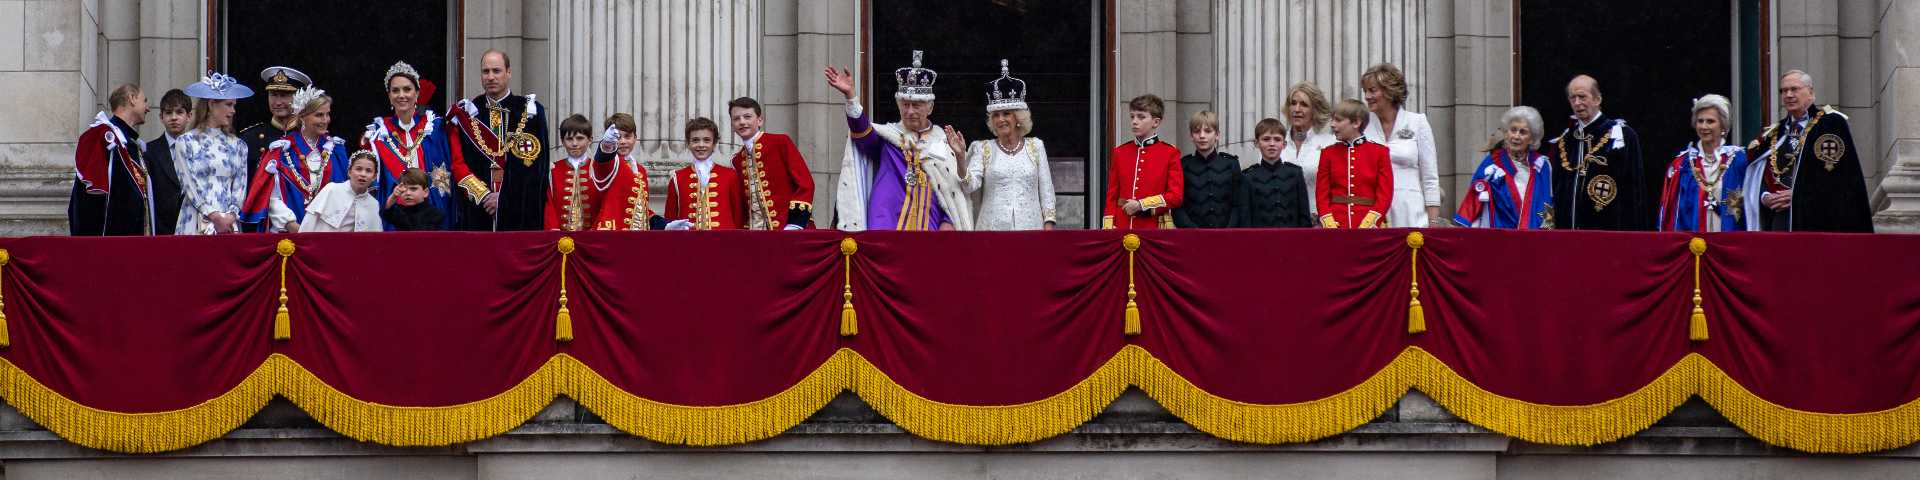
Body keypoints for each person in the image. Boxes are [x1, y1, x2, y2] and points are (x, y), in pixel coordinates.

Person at [825, 51, 972, 231]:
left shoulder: (943, 142)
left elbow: (951, 191)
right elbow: (862, 133)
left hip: (930, 228)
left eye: (916, 105)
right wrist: (851, 97)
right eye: (905, 104)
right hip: (886, 224)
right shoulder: (889, 138)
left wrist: (948, 221)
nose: (909, 111)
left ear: (930, 107)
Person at [1741, 70, 1873, 232]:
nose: (1788, 95)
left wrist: (1798, 194)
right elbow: (1757, 174)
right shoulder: (1774, 134)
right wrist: (1764, 197)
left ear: (1810, 92)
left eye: (1794, 89)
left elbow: (1839, 177)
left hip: (1817, 219)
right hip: (1779, 220)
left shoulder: (1829, 124)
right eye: (1784, 91)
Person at [947, 60, 1058, 231]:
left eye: (1007, 113)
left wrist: (1048, 226)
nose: (1000, 119)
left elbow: (1047, 191)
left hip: (1031, 231)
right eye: (996, 115)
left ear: (1018, 118)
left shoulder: (1036, 147)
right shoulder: (983, 149)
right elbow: (969, 186)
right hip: (992, 232)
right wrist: (961, 157)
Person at [448, 49, 550, 231]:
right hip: (478, 211)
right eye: (486, 71)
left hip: (519, 212)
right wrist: (484, 196)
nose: (491, 77)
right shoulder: (467, 114)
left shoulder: (530, 111)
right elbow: (458, 164)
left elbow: (535, 167)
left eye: (496, 71)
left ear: (508, 72)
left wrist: (503, 199)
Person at [362, 61, 459, 231]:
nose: (401, 95)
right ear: (389, 95)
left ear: (417, 93)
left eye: (407, 89)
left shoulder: (434, 128)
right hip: (394, 221)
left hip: (432, 218)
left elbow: (445, 175)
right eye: (395, 90)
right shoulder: (378, 134)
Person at [241, 86, 350, 233]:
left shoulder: (336, 150)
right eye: (319, 115)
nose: (325, 120)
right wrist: (292, 225)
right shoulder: (281, 151)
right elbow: (271, 198)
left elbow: (345, 193)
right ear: (302, 116)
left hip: (330, 233)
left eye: (327, 114)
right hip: (290, 234)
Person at [1548, 74, 1646, 230]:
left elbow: (1634, 191)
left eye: (1582, 96)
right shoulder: (1565, 141)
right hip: (1568, 233)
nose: (1577, 103)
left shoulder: (1621, 135)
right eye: (1572, 98)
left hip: (1609, 232)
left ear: (1597, 99)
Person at [1361, 63, 1443, 228]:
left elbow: (1430, 177)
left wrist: (1433, 222)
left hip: (1411, 212)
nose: (1367, 96)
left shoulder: (1417, 122)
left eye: (1372, 90)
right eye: (1365, 91)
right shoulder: (1362, 125)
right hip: (1371, 214)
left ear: (1389, 91)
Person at [174, 73, 255, 235]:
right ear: (211, 104)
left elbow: (240, 187)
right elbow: (189, 184)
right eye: (229, 105)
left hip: (229, 223)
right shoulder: (186, 142)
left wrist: (230, 216)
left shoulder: (239, 145)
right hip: (196, 219)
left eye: (234, 106)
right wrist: (212, 215)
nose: (233, 111)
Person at [1656, 95, 1751, 233]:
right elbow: (1670, 213)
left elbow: (1752, 208)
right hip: (1692, 244)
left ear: (1723, 125)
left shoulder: (1740, 161)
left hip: (1730, 242)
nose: (1704, 126)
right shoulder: (1682, 165)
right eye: (1700, 121)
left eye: (1710, 121)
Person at [68, 84, 151, 236]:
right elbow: (88, 199)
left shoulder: (131, 144)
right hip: (107, 242)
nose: (148, 108)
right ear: (132, 98)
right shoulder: (100, 135)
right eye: (144, 101)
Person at [1455, 106, 1553, 229]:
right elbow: (1475, 196)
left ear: (1532, 138)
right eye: (1513, 130)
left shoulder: (1542, 165)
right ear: (1506, 134)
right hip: (1499, 235)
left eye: (1523, 132)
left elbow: (1547, 202)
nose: (1516, 136)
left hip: (1534, 236)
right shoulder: (1492, 163)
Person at [728, 96, 816, 230]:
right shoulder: (737, 160)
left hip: (790, 228)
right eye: (736, 119)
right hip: (757, 235)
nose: (742, 122)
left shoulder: (780, 142)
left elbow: (806, 184)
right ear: (732, 125)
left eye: (747, 117)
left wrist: (795, 223)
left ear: (759, 120)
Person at [1103, 94, 1184, 230]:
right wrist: (1108, 226)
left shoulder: (1170, 153)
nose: (1134, 121)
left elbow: (1175, 196)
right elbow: (1112, 195)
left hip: (1154, 227)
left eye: (1141, 117)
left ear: (1156, 122)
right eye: (1132, 116)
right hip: (1122, 226)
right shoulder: (1120, 152)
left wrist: (1141, 204)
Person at [1317, 99, 1393, 229]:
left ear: (1356, 122)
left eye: (1338, 120)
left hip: (1369, 224)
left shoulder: (1380, 152)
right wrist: (1328, 221)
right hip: (1336, 224)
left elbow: (1385, 193)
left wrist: (1370, 221)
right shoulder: (1327, 153)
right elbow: (1321, 194)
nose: (1332, 125)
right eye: (1332, 120)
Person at [662, 117, 746, 230]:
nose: (701, 145)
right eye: (695, 140)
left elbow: (738, 217)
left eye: (707, 140)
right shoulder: (677, 177)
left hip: (724, 242)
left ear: (714, 143)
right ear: (688, 143)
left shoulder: (730, 175)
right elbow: (670, 218)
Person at [1232, 118, 1312, 228]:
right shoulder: (1248, 177)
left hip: (1291, 240)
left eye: (1277, 139)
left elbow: (1304, 216)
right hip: (1260, 241)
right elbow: (1245, 218)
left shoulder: (1295, 173)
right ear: (1256, 143)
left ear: (1284, 144)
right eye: (1266, 139)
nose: (1272, 144)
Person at [590, 113, 665, 230]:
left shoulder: (640, 170)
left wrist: (665, 225)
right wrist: (607, 145)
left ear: (635, 138)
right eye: (618, 137)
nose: (623, 141)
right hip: (611, 235)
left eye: (627, 136)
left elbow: (642, 209)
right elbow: (602, 162)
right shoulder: (610, 162)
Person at [1172, 110, 1238, 228]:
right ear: (1191, 136)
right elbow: (1178, 207)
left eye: (1208, 131)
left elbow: (1238, 205)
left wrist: (1228, 232)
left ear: (1217, 135)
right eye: (1197, 132)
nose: (1202, 136)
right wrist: (1193, 231)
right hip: (1192, 237)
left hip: (1227, 236)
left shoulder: (1231, 164)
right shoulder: (1183, 165)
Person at [1281, 81, 1338, 217]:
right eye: (1293, 103)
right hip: (1282, 222)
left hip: (1318, 221)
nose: (1297, 109)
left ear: (1315, 110)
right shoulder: (1275, 143)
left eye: (1304, 105)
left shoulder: (1330, 143)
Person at [546, 114, 606, 231]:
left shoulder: (599, 169)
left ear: (590, 140)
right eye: (569, 139)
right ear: (562, 141)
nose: (574, 143)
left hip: (594, 237)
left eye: (579, 138)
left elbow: (605, 204)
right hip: (560, 238)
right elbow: (548, 205)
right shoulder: (552, 170)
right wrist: (553, 230)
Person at [145, 89, 191, 235]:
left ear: (189, 116)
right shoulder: (149, 151)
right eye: (168, 113)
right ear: (161, 117)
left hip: (192, 228)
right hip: (162, 231)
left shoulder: (199, 150)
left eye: (179, 112)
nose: (174, 117)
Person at [300, 151, 382, 233]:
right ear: (349, 172)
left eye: (368, 171)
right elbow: (309, 220)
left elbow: (374, 237)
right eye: (358, 169)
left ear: (374, 176)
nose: (363, 174)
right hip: (321, 243)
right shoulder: (332, 189)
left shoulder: (373, 204)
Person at [381, 168, 446, 231]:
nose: (408, 193)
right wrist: (394, 196)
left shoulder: (435, 214)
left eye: (413, 189)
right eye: (404, 190)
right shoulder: (399, 210)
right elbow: (386, 211)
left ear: (425, 192)